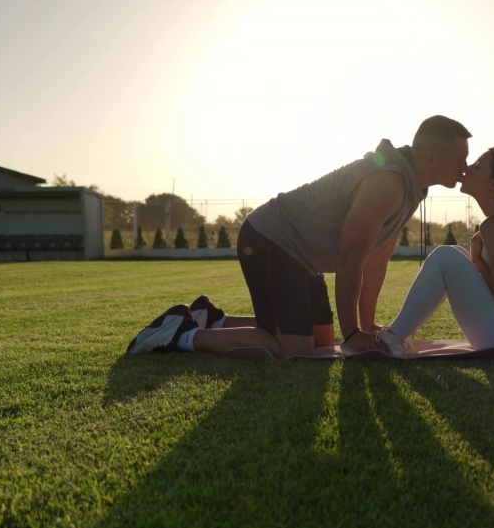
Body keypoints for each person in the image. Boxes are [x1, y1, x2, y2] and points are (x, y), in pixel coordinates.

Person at [127, 115, 471, 358]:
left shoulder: (411, 187)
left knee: (321, 342)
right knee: (293, 350)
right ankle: (178, 334)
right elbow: (352, 258)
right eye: (460, 160)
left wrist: (367, 325)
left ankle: (212, 319)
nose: (464, 168)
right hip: (272, 241)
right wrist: (351, 335)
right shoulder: (389, 182)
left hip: (301, 258)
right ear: (431, 158)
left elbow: (375, 259)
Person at [372, 147, 494, 357]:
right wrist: (474, 260)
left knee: (446, 257)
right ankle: (399, 335)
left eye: (477, 166)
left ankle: (392, 339)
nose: (467, 168)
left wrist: (476, 259)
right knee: (455, 252)